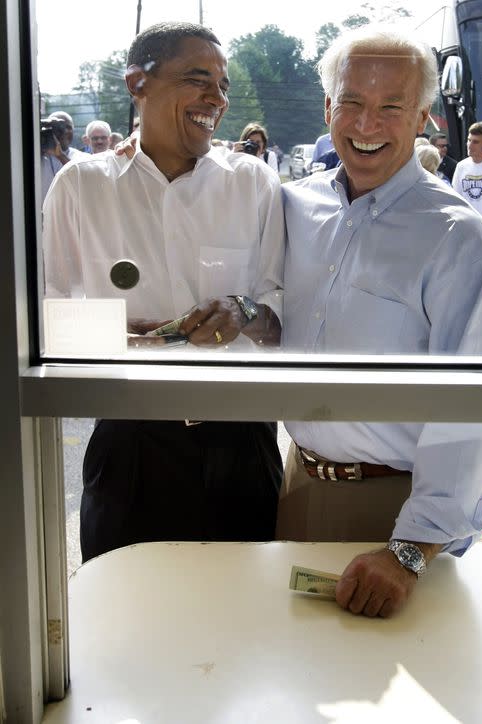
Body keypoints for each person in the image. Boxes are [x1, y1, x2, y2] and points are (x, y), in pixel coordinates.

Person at [276, 26, 482, 619]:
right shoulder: (295, 206)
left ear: (424, 118)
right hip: (295, 482)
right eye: (351, 101)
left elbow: (473, 408)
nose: (366, 124)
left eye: (391, 107)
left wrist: (410, 551)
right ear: (328, 107)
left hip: (394, 510)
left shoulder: (456, 235)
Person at [43, 21, 285, 562]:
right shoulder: (82, 187)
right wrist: (124, 334)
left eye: (222, 86)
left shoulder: (253, 183)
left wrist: (243, 311)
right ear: (138, 83)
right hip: (129, 444)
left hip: (241, 443)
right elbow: (48, 316)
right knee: (123, 623)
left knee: (242, 624)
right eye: (197, 79)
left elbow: (285, 308)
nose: (214, 98)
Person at [452, 121, 482, 237]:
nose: (470, 145)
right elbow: (456, 199)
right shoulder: (461, 166)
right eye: (469, 140)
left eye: (476, 142)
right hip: (468, 233)